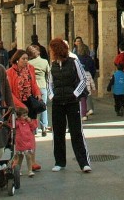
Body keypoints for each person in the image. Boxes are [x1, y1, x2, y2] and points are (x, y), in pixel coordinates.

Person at [46, 38, 92, 173]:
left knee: (76, 132)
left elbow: (83, 79)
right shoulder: (53, 65)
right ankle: (59, 162)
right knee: (58, 132)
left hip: (72, 102)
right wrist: (51, 96)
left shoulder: (73, 62)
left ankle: (84, 162)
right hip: (57, 102)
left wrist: (75, 93)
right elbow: (49, 82)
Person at [7, 49, 42, 171]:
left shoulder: (30, 68)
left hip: (29, 103)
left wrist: (38, 93)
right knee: (17, 134)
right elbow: (9, 92)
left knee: (30, 132)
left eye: (27, 59)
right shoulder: (10, 72)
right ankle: (16, 161)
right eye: (23, 59)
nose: (26, 61)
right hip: (17, 105)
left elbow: (34, 84)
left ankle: (32, 161)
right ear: (17, 60)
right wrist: (20, 105)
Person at [28, 45, 51, 136]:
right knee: (43, 106)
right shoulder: (44, 61)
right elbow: (49, 74)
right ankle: (44, 126)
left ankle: (35, 128)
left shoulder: (29, 63)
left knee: (33, 107)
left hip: (32, 87)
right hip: (42, 85)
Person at [12, 105, 39, 177]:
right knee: (20, 158)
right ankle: (18, 170)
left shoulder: (28, 122)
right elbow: (13, 126)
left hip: (28, 142)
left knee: (29, 157)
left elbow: (34, 127)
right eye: (23, 116)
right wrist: (14, 119)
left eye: (26, 115)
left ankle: (30, 170)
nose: (26, 117)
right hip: (20, 143)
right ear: (19, 117)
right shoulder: (17, 123)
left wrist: (30, 121)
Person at [77, 50, 96, 119]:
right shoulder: (88, 73)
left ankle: (84, 115)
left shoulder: (79, 75)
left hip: (82, 90)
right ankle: (90, 109)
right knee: (89, 100)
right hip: (88, 90)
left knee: (83, 102)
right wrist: (94, 88)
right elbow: (92, 82)